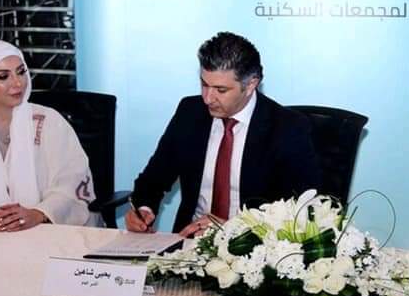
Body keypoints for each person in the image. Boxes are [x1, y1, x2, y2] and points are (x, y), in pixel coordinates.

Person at [127, 32, 321, 236]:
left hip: (252, 245)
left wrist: (232, 228)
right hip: (189, 241)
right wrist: (143, 209)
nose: (208, 98)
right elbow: (153, 179)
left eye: (220, 90)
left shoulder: (287, 127)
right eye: (204, 84)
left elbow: (301, 210)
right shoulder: (189, 112)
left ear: (250, 85)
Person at [0, 41, 98, 229]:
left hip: (48, 229)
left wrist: (38, 214)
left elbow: (73, 180)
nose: (17, 83)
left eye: (21, 72)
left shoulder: (49, 122)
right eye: (3, 76)